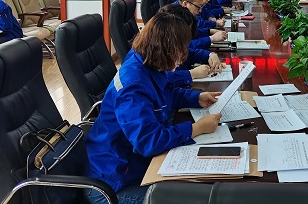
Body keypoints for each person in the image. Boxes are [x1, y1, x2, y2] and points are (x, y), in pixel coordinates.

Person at [84, 11, 222, 204]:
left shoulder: (149, 62)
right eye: (181, 50)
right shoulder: (133, 86)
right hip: (113, 185)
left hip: (135, 166)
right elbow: (148, 141)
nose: (183, 57)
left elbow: (166, 92)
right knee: (189, 198)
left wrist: (196, 98)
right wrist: (196, 128)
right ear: (164, 48)